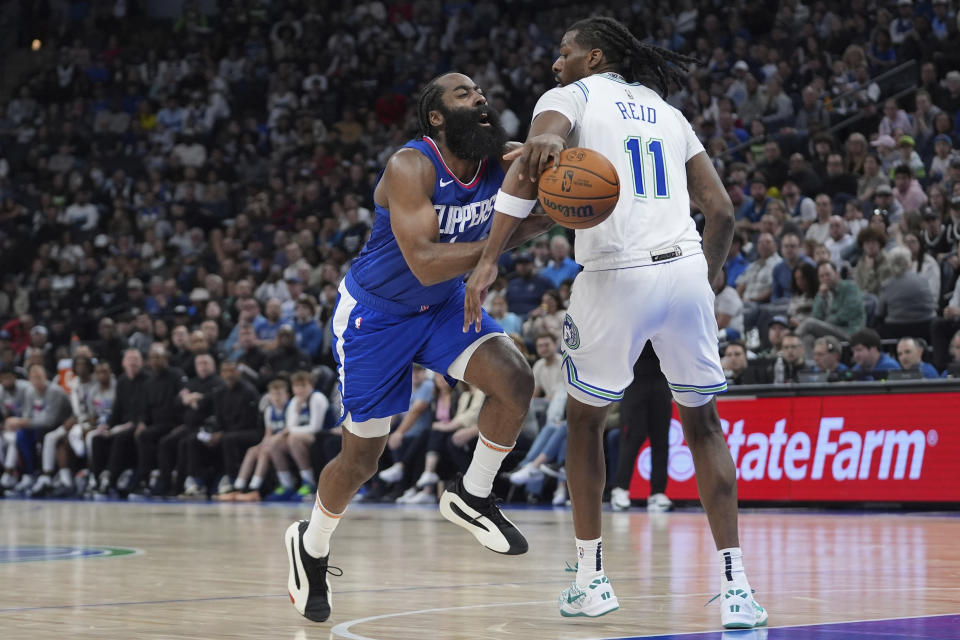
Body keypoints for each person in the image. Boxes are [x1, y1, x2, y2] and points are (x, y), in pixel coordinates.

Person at [463, 17, 766, 627]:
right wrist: (706, 278)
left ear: (592, 56)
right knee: (703, 426)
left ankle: (591, 578)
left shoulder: (568, 97)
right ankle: (737, 589)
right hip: (684, 269)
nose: (556, 63)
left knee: (583, 421)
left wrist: (490, 256)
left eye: (563, 51)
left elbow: (544, 142)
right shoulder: (667, 111)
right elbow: (722, 211)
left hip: (615, 274)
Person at [284, 71, 554, 624]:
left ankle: (473, 493)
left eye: (480, 93)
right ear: (437, 116)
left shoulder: (502, 160)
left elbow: (558, 171)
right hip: (376, 317)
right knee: (363, 458)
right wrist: (510, 237)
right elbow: (424, 260)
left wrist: (565, 172)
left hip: (445, 305)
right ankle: (311, 545)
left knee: (515, 380)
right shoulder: (411, 166)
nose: (479, 98)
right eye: (463, 94)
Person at [609, 343, 672, 513]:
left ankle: (658, 493)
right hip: (634, 380)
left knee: (661, 439)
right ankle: (620, 489)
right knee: (632, 436)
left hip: (662, 379)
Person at [217, 376, 290, 501]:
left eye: (279, 394)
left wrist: (268, 444)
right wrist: (262, 444)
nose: (276, 397)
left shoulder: (290, 408)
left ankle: (254, 488)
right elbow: (268, 433)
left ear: (287, 395)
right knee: (252, 451)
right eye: (273, 394)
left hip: (286, 442)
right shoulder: (269, 411)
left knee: (264, 452)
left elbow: (288, 430)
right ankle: (238, 487)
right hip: (273, 442)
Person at [269, 370, 328, 501]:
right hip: (303, 436)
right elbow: (291, 425)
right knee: (274, 443)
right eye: (296, 386)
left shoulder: (317, 398)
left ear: (311, 385)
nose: (300, 389)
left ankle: (309, 482)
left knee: (293, 438)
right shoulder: (295, 401)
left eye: (303, 386)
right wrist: (298, 409)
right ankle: (286, 484)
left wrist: (290, 431)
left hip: (322, 435)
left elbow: (315, 427)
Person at [796, 261, 865, 358]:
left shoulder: (850, 287)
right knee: (808, 338)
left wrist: (826, 323)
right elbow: (816, 316)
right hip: (829, 333)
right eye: (821, 276)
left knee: (808, 323)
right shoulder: (821, 294)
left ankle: (789, 342)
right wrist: (822, 297)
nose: (825, 279)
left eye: (828, 275)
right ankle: (812, 369)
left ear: (836, 274)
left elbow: (848, 313)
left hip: (849, 332)